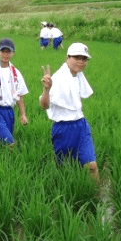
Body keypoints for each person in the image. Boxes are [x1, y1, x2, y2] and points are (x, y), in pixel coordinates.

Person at [39, 43, 99, 182]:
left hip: (81, 126)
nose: (81, 61)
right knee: (64, 169)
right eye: (77, 57)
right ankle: (65, 195)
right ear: (68, 58)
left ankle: (96, 198)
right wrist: (46, 89)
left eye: (84, 59)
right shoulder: (58, 78)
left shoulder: (78, 75)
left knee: (92, 165)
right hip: (63, 129)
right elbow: (44, 105)